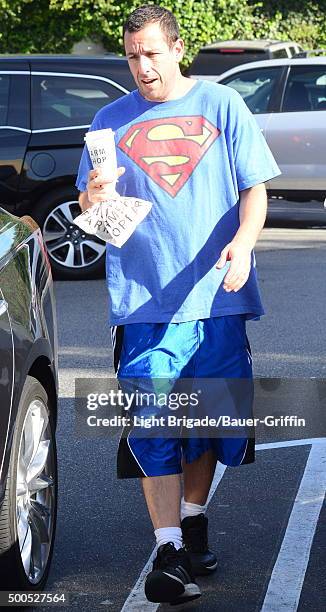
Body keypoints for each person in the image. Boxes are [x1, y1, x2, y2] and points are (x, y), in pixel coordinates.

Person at [76, 4, 280, 605]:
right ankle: (167, 549)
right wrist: (93, 195)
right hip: (145, 303)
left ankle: (193, 520)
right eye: (132, 55)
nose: (142, 66)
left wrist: (243, 246)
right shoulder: (109, 121)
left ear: (177, 48)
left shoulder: (222, 105)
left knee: (209, 423)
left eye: (152, 53)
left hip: (218, 297)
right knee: (156, 421)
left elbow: (255, 190)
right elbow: (96, 219)